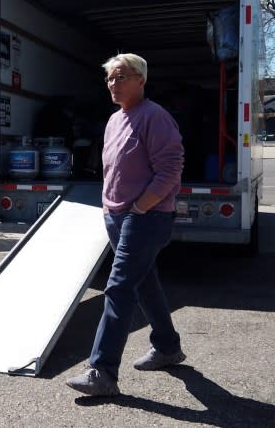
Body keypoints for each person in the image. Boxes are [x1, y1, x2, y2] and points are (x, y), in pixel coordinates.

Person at [65, 53, 186, 397]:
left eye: (121, 77)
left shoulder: (155, 117)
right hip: (117, 215)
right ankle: (167, 347)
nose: (113, 84)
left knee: (118, 288)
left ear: (140, 79)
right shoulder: (115, 119)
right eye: (109, 79)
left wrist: (141, 206)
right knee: (144, 284)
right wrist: (109, 206)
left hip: (146, 218)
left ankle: (102, 371)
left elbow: (171, 168)